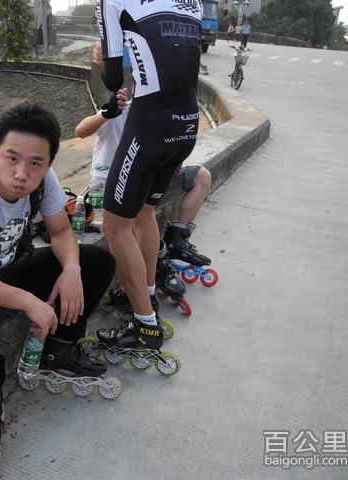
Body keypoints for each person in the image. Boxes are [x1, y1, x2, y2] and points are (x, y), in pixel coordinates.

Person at [0, 103, 116, 456]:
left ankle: (59, 349)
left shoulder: (45, 182)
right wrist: (29, 302)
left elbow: (61, 232)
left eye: (35, 163)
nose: (22, 174)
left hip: (12, 266)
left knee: (98, 261)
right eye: (12, 158)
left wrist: (71, 270)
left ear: (49, 164)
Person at [94, 0, 202, 347]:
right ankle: (147, 291)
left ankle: (145, 325)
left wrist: (103, 58)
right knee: (144, 212)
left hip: (150, 126)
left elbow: (113, 79)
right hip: (187, 123)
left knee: (115, 227)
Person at [75, 78, 212, 308]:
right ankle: (148, 278)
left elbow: (172, 167)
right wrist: (106, 114)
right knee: (135, 219)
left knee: (201, 176)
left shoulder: (163, 119)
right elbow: (80, 131)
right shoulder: (120, 111)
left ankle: (177, 239)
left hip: (146, 184)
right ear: (134, 90)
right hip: (109, 185)